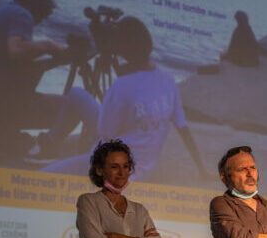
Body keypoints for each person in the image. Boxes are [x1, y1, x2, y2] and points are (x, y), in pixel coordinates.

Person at [44, 16, 211, 181]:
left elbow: (105, 133)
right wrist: (202, 170)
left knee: (46, 172)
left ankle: (47, 147)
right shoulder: (168, 79)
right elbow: (183, 128)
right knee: (77, 94)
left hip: (113, 165)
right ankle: (49, 144)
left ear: (121, 49)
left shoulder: (121, 85)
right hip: (143, 167)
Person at [0, 0, 98, 156]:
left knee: (31, 95)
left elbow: (18, 66)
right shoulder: (22, 14)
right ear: (37, 3)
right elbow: (17, 51)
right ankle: (45, 147)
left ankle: (5, 133)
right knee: (69, 107)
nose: (46, 16)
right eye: (46, 9)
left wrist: (60, 58)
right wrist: (49, 46)